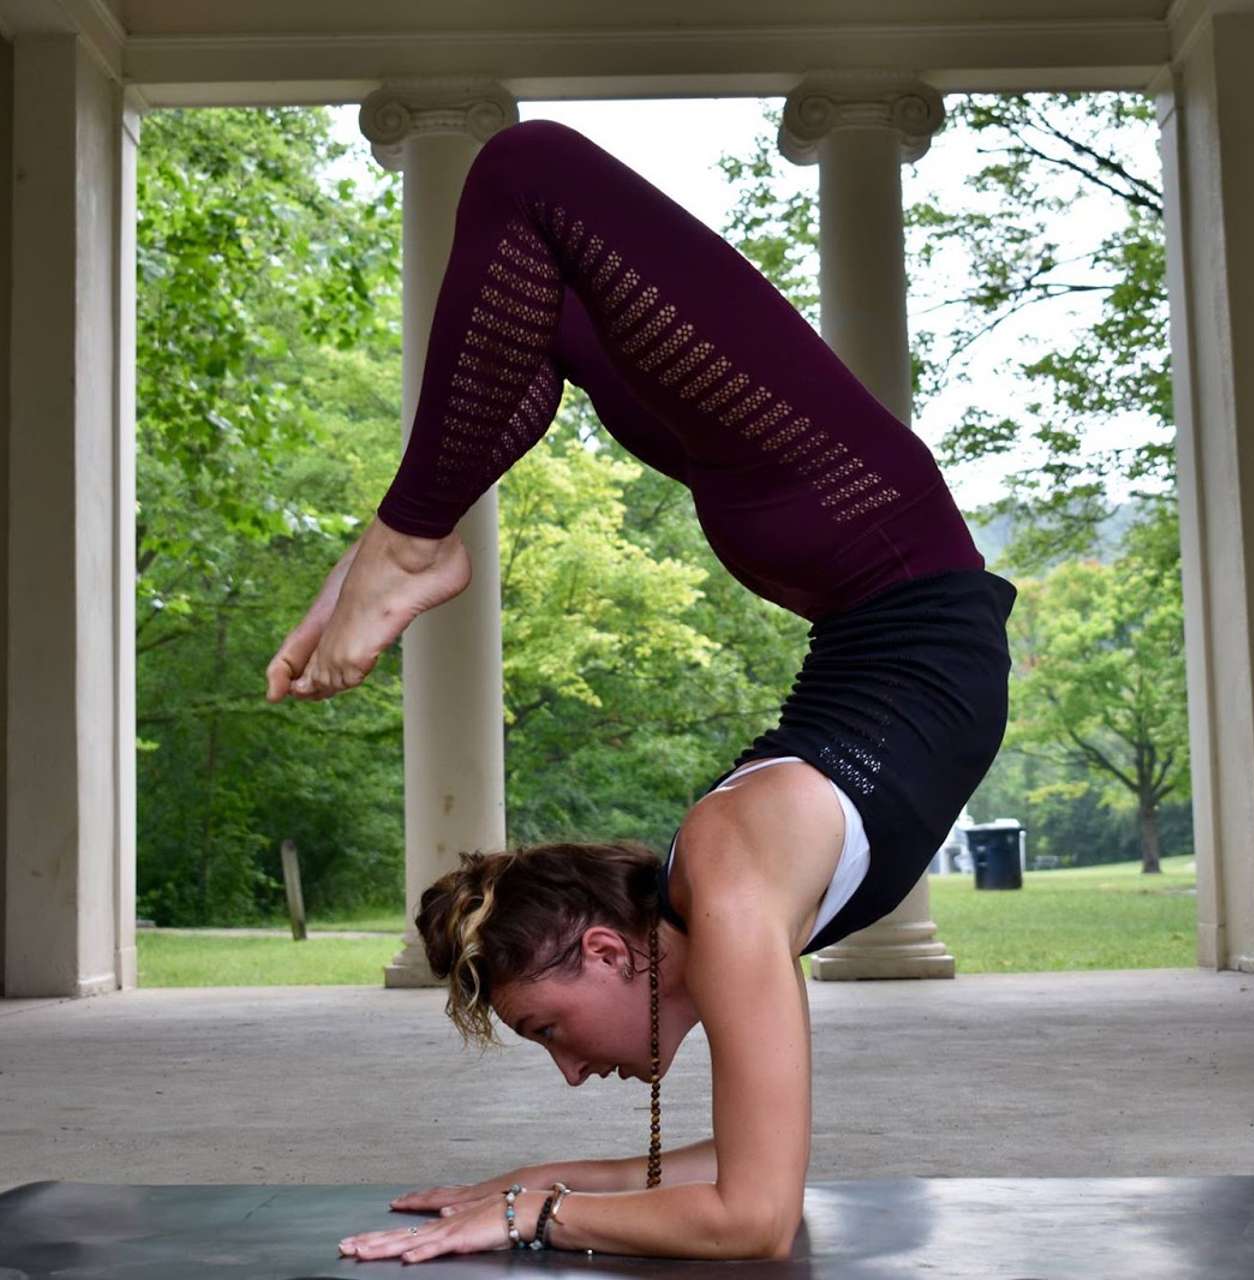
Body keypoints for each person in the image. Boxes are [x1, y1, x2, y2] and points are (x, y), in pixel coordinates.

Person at [264, 118, 1016, 1264]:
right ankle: (401, 533)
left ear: (610, 954)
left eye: (550, 1031)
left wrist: (533, 1215)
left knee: (528, 175)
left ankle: (411, 536)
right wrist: (531, 1180)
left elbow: (752, 1221)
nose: (571, 1072)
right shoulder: (720, 897)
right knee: (546, 315)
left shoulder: (726, 875)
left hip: (863, 535)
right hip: (840, 560)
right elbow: (753, 1166)